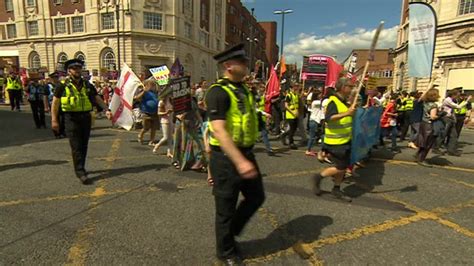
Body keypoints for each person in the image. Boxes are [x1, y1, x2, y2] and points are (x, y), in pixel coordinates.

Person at [205, 43, 265, 265]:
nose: (247, 64)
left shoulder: (245, 89)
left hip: (246, 153)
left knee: (257, 196)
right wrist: (240, 161)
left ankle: (230, 234)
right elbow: (218, 129)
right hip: (226, 159)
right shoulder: (218, 92)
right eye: (242, 62)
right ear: (229, 66)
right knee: (225, 208)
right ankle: (226, 252)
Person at [51, 59, 112, 185]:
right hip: (71, 118)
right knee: (76, 145)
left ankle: (81, 167)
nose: (77, 70)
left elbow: (97, 98)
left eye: (79, 68)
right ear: (69, 71)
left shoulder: (87, 85)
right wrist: (54, 120)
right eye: (74, 68)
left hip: (85, 117)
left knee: (84, 145)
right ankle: (80, 171)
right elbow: (55, 104)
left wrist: (107, 109)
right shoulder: (62, 85)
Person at [313, 78, 355, 202]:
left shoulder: (344, 102)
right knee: (341, 167)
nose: (351, 89)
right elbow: (329, 118)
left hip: (345, 140)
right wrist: (347, 113)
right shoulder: (333, 101)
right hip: (336, 142)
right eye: (350, 86)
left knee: (343, 166)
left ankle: (336, 188)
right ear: (342, 87)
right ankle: (319, 177)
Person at [435, 90, 472, 156]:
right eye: (457, 95)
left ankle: (451, 150)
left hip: (451, 119)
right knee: (443, 133)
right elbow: (458, 107)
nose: (457, 97)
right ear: (453, 95)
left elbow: (453, 111)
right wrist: (467, 101)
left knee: (454, 135)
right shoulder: (448, 100)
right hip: (446, 118)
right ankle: (436, 147)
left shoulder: (452, 100)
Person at [415, 88, 441, 167]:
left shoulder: (425, 102)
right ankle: (421, 159)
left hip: (423, 123)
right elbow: (433, 117)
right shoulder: (433, 105)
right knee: (427, 143)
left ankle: (418, 155)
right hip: (429, 125)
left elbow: (423, 95)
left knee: (422, 141)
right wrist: (440, 115)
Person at [135, 79, 160, 146]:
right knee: (146, 127)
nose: (153, 86)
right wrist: (144, 91)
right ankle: (140, 135)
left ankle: (151, 141)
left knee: (154, 128)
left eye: (153, 85)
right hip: (146, 112)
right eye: (151, 85)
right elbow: (136, 98)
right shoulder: (144, 92)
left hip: (155, 112)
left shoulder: (155, 92)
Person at [153, 89, 174, 158]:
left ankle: (169, 152)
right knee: (166, 137)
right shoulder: (161, 102)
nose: (171, 94)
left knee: (170, 137)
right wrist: (166, 112)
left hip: (170, 119)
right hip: (164, 120)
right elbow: (158, 113)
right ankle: (157, 145)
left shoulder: (171, 101)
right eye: (169, 93)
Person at [306, 91, 324, 156]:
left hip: (317, 121)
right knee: (312, 136)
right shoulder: (315, 102)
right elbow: (323, 103)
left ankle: (322, 150)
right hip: (314, 121)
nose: (321, 95)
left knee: (321, 136)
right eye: (320, 94)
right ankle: (308, 150)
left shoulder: (318, 102)